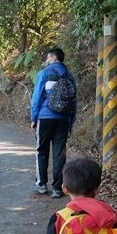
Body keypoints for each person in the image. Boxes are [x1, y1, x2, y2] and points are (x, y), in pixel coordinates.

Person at [30, 47, 77, 199]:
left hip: (45, 117)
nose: (47, 60)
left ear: (54, 58)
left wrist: (33, 117)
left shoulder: (44, 73)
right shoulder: (70, 76)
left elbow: (37, 96)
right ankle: (57, 188)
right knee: (59, 153)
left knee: (41, 151)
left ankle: (41, 185)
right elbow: (73, 103)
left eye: (48, 57)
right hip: (63, 119)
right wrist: (70, 123)